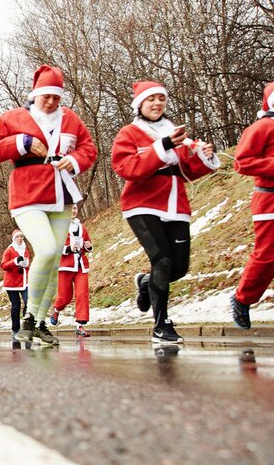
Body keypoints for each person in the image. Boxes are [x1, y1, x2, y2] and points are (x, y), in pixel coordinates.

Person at [0, 65, 97, 346]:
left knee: (52, 261)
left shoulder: (71, 119)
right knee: (45, 249)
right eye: (46, 96)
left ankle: (40, 321)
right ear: (35, 94)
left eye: (56, 97)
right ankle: (29, 319)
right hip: (27, 194)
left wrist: (75, 161)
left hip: (61, 194)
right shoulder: (14, 117)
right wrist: (21, 142)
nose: (51, 102)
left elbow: (88, 148)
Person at [112, 80, 219, 344]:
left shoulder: (175, 131)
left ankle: (147, 283)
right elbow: (126, 168)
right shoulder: (130, 133)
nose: (157, 103)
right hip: (142, 204)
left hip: (176, 204)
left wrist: (204, 156)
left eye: (161, 98)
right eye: (151, 99)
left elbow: (188, 171)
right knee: (162, 261)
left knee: (180, 267)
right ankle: (161, 326)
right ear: (140, 105)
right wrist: (163, 147)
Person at [231, 83, 274, 330]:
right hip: (269, 200)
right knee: (267, 257)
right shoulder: (262, 127)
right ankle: (242, 299)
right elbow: (242, 162)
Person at [50, 203, 93, 337]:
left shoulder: (82, 228)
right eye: (70, 209)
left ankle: (80, 325)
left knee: (82, 294)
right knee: (64, 297)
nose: (73, 211)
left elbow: (88, 243)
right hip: (65, 266)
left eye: (74, 208)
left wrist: (88, 246)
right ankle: (56, 310)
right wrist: (68, 249)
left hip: (81, 266)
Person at [1, 229, 30, 334]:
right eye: (18, 237)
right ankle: (15, 328)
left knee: (28, 302)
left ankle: (26, 325)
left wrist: (25, 264)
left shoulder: (26, 249)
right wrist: (14, 261)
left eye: (21, 237)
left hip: (24, 281)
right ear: (14, 239)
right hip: (11, 283)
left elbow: (27, 263)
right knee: (16, 305)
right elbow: (3, 265)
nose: (20, 239)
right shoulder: (9, 250)